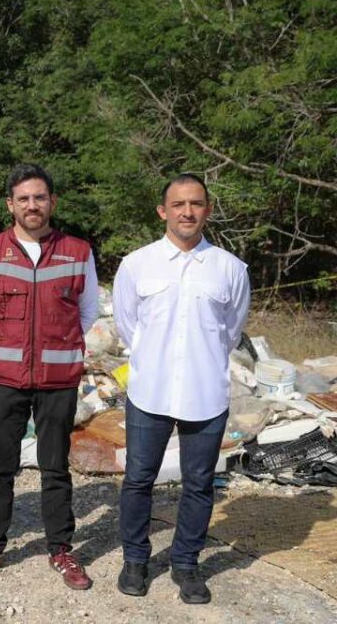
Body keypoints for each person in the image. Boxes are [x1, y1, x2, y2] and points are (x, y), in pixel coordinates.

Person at [0, 164, 99, 590]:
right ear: (10, 205)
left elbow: (88, 312)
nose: (32, 205)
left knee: (55, 466)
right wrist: (4, 350)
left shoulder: (78, 251)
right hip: (5, 378)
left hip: (58, 378)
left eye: (40, 197)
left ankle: (60, 549)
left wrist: (55, 349)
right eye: (23, 199)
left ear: (52, 202)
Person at [113, 174, 249, 604]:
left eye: (195, 204)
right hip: (149, 392)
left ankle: (186, 564)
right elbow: (127, 325)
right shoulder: (137, 264)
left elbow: (231, 330)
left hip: (205, 393)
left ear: (208, 209)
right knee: (138, 479)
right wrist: (154, 358)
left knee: (198, 484)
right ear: (163, 211)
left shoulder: (230, 268)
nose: (187, 212)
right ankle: (135, 559)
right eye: (178, 205)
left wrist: (197, 360)